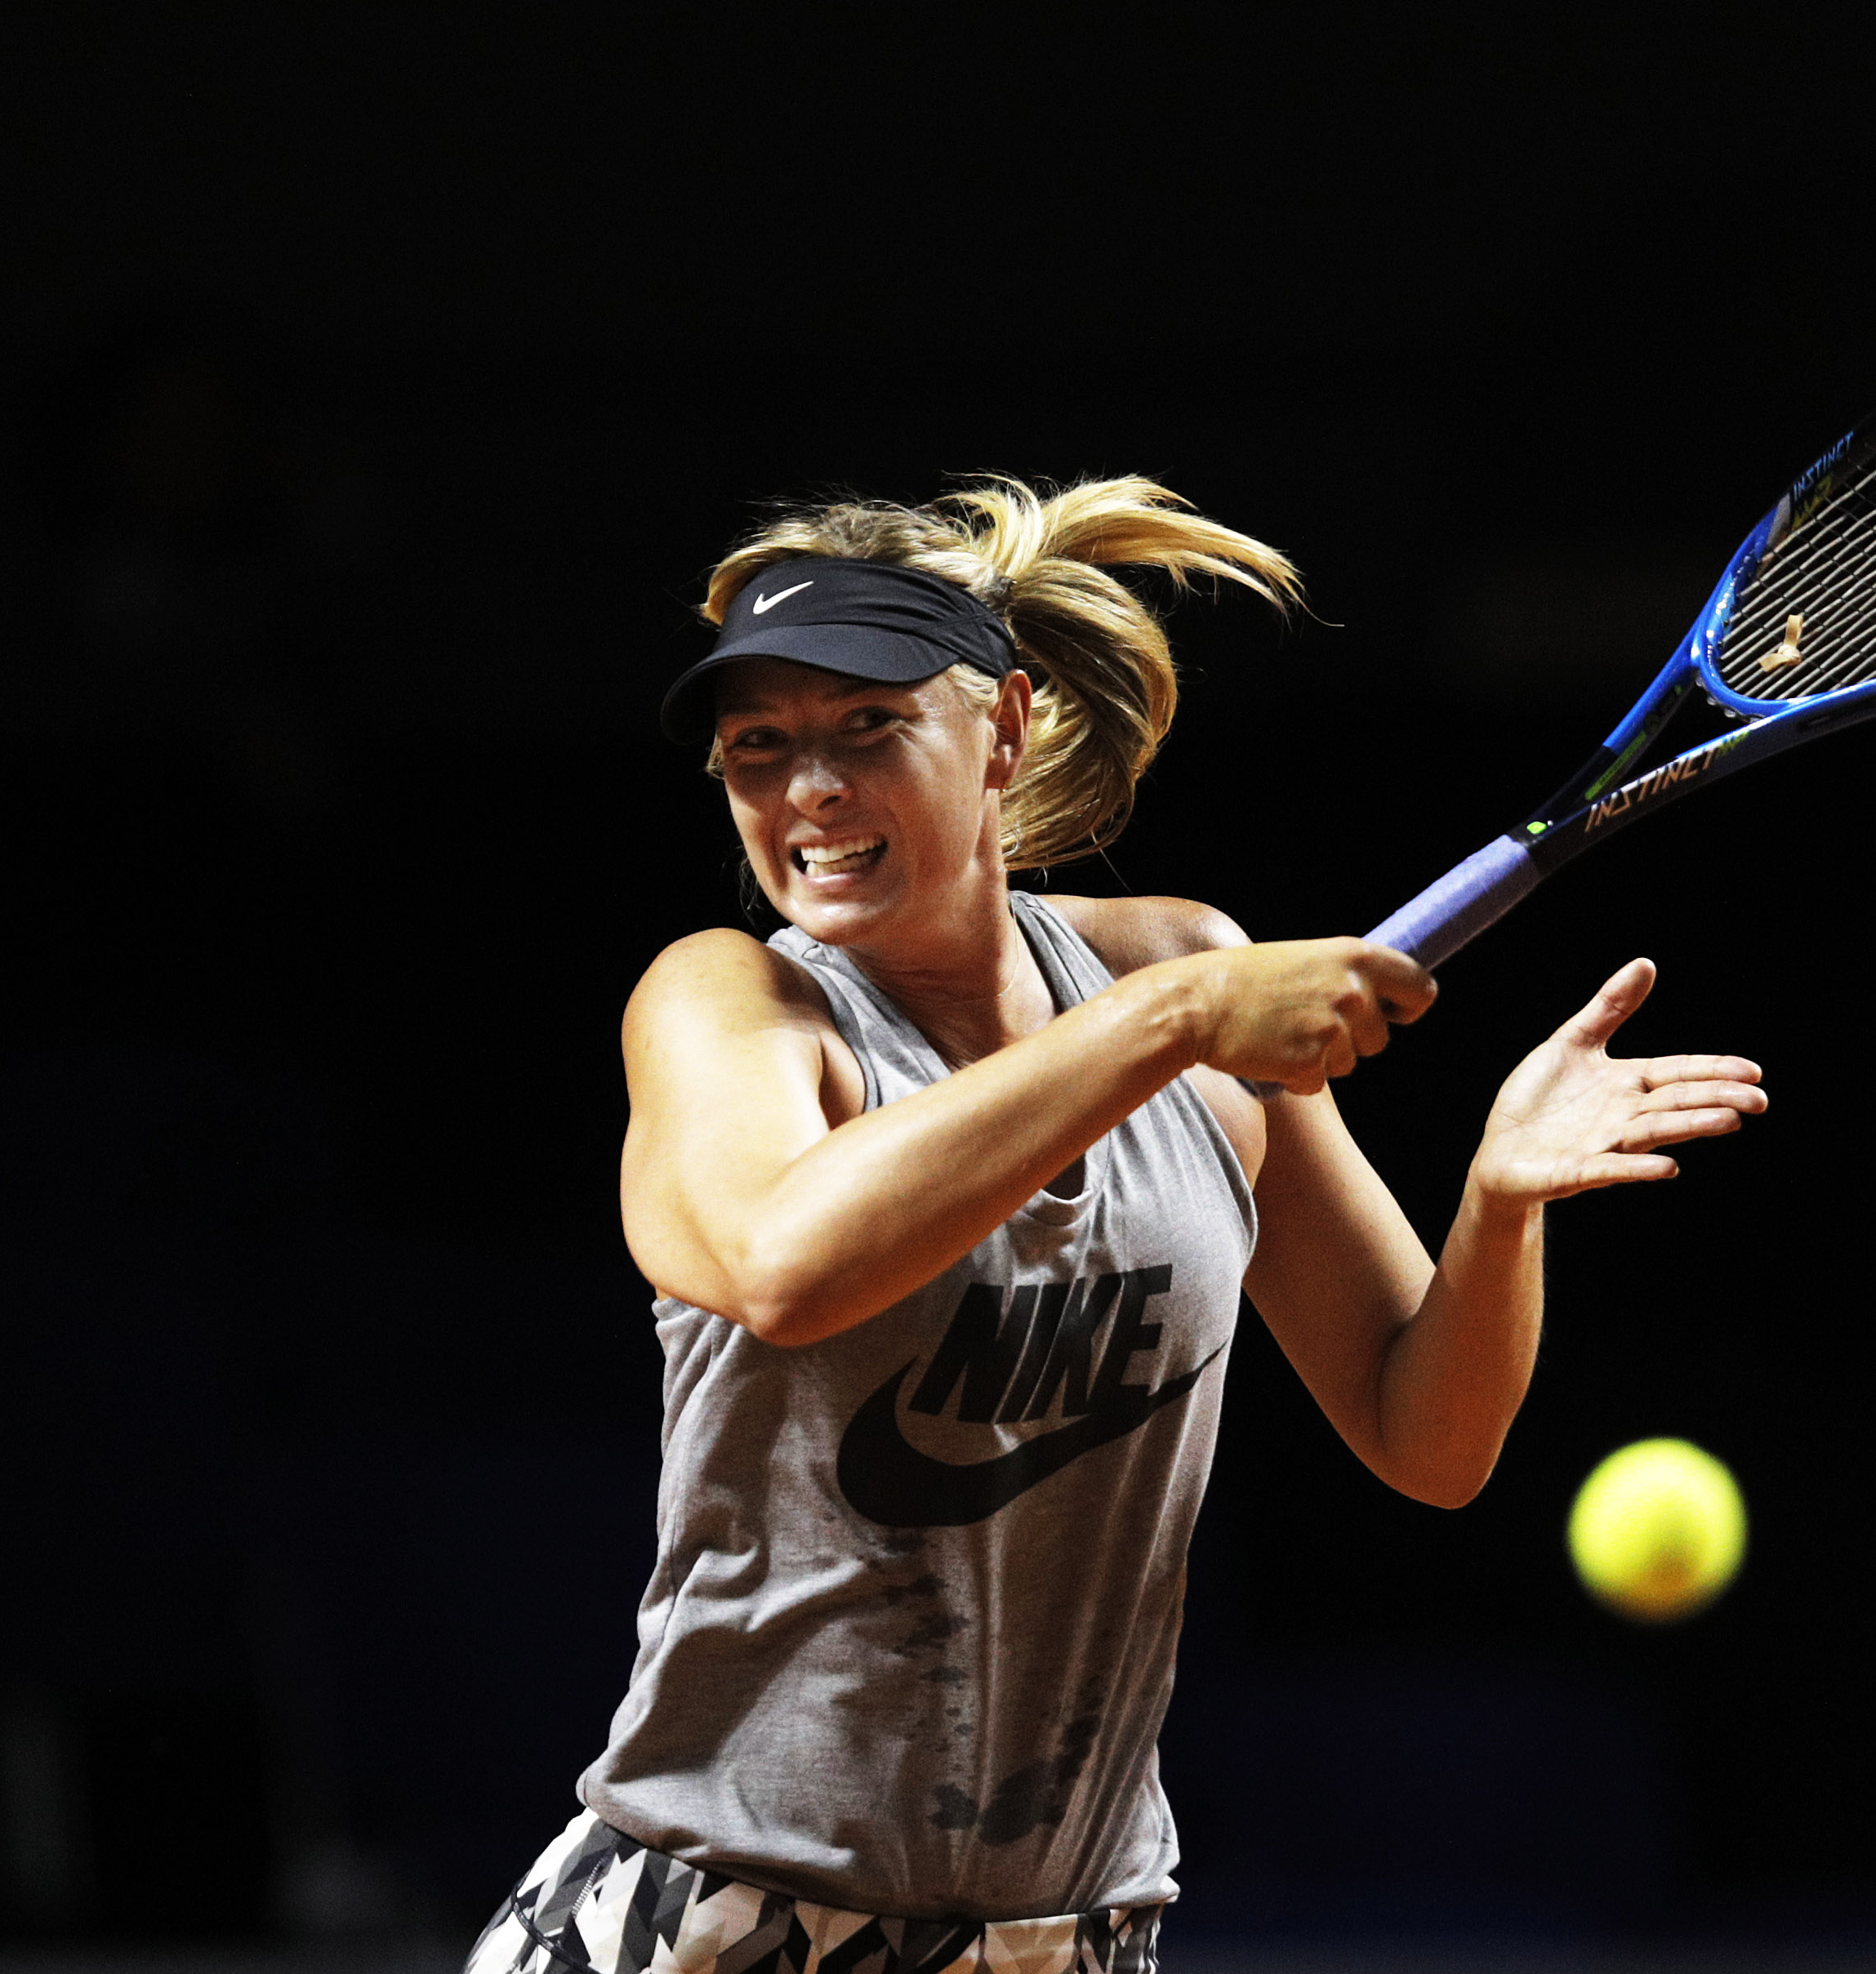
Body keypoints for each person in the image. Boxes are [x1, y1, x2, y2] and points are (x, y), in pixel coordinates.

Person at [463, 479, 1766, 1974]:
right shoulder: (731, 1006)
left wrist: (1497, 1204)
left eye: (866, 727)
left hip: (1062, 1935)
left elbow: (1431, 1433)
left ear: (1004, 727)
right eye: (760, 747)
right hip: (719, 1917)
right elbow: (786, 1260)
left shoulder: (1175, 976)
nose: (807, 787)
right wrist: (1179, 1018)